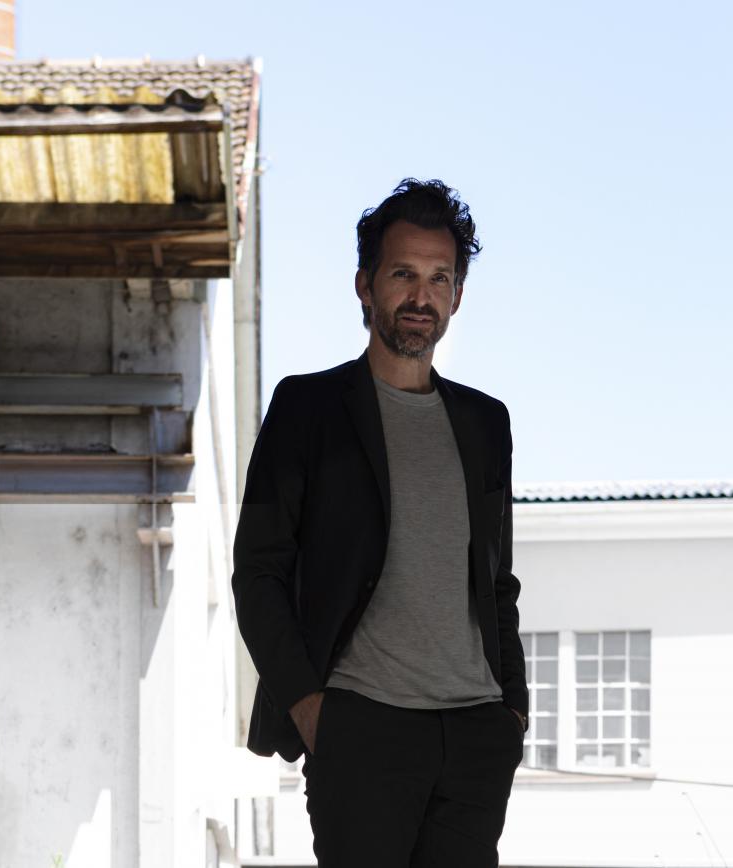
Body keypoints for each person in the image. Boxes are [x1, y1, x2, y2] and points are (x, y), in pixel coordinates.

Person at [231, 178, 528, 867]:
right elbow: (259, 571)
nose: (421, 296)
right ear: (365, 285)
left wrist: (509, 711)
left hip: (475, 733)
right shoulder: (307, 409)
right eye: (403, 274)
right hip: (361, 727)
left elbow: (497, 581)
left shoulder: (487, 424)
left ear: (456, 295)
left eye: (439, 278)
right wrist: (310, 706)